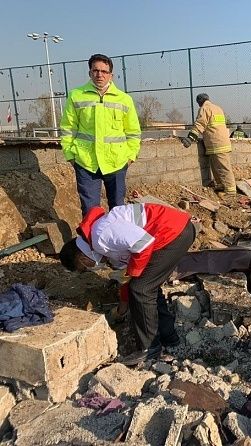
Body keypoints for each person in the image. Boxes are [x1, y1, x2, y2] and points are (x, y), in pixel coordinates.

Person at [59, 203, 195, 366]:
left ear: (82, 258)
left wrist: (134, 275)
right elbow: (126, 278)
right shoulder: (105, 250)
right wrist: (123, 306)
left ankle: (149, 348)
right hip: (171, 234)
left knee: (141, 289)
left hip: (173, 233)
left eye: (85, 267)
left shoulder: (102, 235)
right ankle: (169, 336)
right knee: (147, 287)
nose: (90, 268)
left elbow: (143, 244)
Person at [60, 54, 141, 216]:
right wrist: (70, 155)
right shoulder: (76, 95)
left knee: (118, 210)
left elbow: (133, 132)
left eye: (104, 71)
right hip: (86, 163)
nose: (99, 75)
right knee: (90, 212)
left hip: (117, 162)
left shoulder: (124, 99)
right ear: (90, 73)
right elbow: (68, 128)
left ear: (111, 75)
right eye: (95, 70)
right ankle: (92, 234)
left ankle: (115, 234)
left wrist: (130, 156)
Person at [181, 94, 236, 196]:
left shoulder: (204, 108)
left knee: (223, 168)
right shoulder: (218, 108)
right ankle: (221, 186)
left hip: (216, 143)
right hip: (221, 142)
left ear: (199, 101)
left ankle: (230, 191)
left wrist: (190, 138)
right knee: (216, 167)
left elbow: (200, 124)